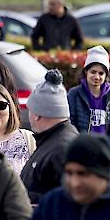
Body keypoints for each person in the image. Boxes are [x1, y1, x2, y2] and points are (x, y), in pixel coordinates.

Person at [21, 70, 78, 203]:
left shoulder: (60, 150)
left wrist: (23, 199)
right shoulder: (54, 141)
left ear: (36, 115)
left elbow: (68, 201)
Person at [68, 46, 110, 151]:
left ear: (106, 75)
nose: (97, 77)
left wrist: (109, 147)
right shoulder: (74, 94)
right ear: (86, 72)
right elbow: (71, 123)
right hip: (81, 150)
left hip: (105, 151)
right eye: (93, 72)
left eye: (101, 73)